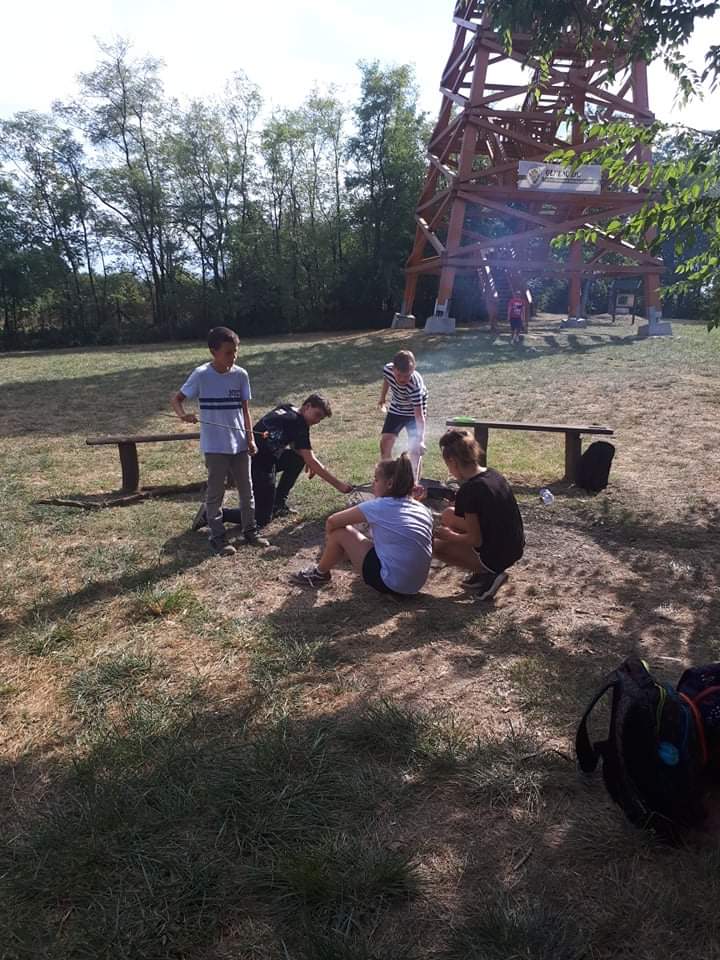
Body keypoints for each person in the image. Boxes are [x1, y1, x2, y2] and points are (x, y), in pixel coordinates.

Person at [171, 326, 269, 557]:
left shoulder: (241, 375)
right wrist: (183, 415)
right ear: (213, 352)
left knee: (247, 490)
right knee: (216, 493)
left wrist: (250, 438)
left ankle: (250, 530)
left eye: (235, 352)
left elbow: (245, 410)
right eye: (228, 352)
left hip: (239, 444)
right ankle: (217, 536)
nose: (233, 357)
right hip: (215, 446)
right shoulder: (201, 374)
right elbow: (176, 399)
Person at [293, 453, 433, 594]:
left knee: (339, 533)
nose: (373, 484)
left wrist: (330, 540)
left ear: (389, 484)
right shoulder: (422, 508)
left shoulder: (379, 506)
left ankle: (319, 574)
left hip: (391, 583)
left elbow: (332, 521)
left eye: (376, 480)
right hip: (416, 585)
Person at [433, 428, 525, 601]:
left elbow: (475, 540)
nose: (449, 471)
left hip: (497, 556)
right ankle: (483, 571)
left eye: (448, 466)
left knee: (435, 546)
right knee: (449, 514)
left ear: (452, 461)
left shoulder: (469, 490)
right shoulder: (493, 474)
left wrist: (449, 536)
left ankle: (490, 572)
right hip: (514, 546)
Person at [378, 350, 427, 480]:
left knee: (415, 449)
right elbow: (387, 380)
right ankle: (388, 477)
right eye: (399, 375)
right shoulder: (387, 370)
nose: (402, 379)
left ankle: (414, 482)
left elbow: (419, 417)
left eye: (407, 376)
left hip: (414, 412)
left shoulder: (414, 387)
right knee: (385, 442)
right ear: (393, 369)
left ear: (413, 370)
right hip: (397, 407)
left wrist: (421, 440)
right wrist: (382, 398)